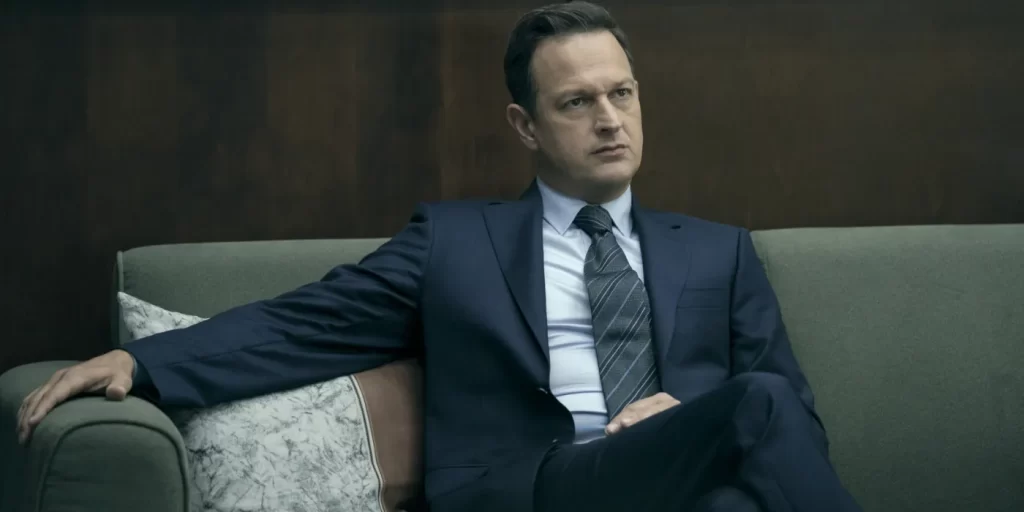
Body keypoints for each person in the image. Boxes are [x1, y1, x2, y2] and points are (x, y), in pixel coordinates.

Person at [16, 2, 862, 511]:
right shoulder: (455, 243)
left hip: (680, 481)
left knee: (736, 482)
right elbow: (305, 324)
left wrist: (683, 416)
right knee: (751, 410)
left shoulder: (720, 252)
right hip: (540, 486)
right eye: (577, 102)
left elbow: (795, 419)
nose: (610, 119)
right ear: (526, 126)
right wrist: (143, 360)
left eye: (622, 93)